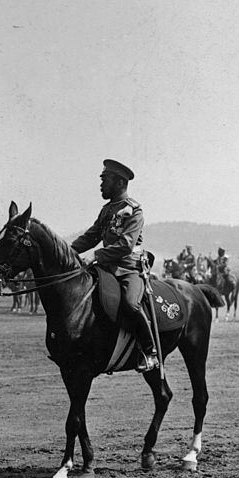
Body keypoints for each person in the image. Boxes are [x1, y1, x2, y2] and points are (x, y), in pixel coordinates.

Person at [71, 159, 157, 373]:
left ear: (119, 183)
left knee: (131, 304)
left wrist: (97, 255)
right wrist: (68, 252)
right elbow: (91, 236)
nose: (101, 184)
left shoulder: (134, 210)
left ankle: (150, 351)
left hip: (129, 268)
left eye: (105, 179)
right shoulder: (107, 209)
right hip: (106, 268)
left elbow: (127, 244)